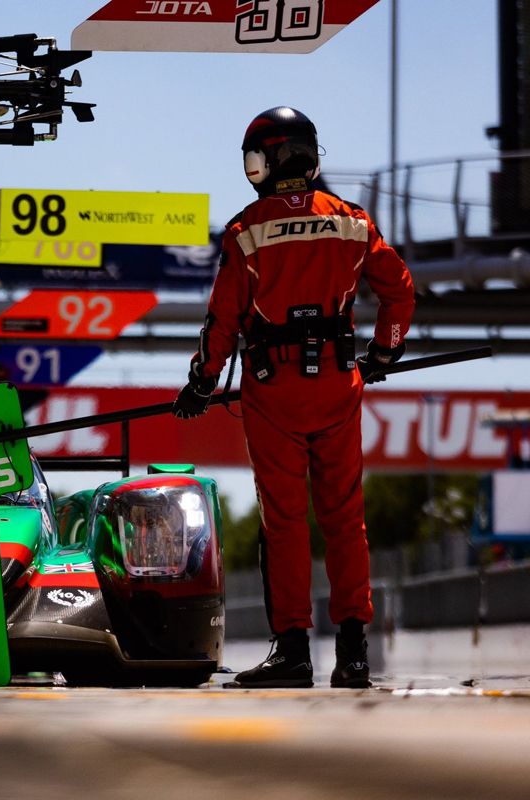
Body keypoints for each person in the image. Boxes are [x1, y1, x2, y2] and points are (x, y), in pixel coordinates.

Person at [172, 107, 415, 689]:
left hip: (273, 391)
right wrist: (383, 354)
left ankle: (294, 653)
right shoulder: (353, 222)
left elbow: (221, 326)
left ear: (270, 159)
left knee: (285, 524)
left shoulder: (245, 230)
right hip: (337, 386)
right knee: (345, 519)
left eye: (254, 156)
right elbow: (400, 293)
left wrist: (201, 383)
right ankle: (354, 654)